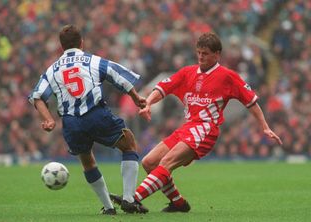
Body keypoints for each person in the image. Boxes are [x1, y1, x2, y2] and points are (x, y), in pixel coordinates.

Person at [111, 32, 283, 213]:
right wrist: (149, 104)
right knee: (149, 162)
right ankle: (178, 203)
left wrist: (265, 127)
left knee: (166, 163)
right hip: (187, 127)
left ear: (217, 54)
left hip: (206, 129)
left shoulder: (227, 76)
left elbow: (251, 102)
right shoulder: (188, 72)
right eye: (199, 52)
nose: (201, 56)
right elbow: (163, 87)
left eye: (206, 53)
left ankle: (133, 199)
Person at [28, 24, 148, 215]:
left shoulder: (51, 70)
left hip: (71, 123)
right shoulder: (93, 61)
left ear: (61, 47)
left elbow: (37, 96)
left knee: (88, 161)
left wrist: (49, 119)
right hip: (95, 114)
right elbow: (117, 76)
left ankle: (109, 208)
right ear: (81, 42)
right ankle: (128, 199)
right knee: (129, 144)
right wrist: (136, 97)